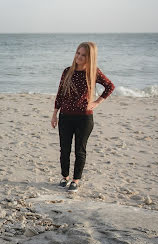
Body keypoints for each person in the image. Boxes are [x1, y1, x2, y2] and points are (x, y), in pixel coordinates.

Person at [51, 42, 114, 193]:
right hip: (65, 117)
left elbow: (110, 86)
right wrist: (54, 114)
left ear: (89, 57)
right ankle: (64, 177)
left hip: (84, 119)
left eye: (83, 55)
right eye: (77, 53)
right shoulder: (67, 71)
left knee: (80, 150)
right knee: (64, 149)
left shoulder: (93, 72)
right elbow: (60, 94)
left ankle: (75, 180)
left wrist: (97, 102)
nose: (79, 57)